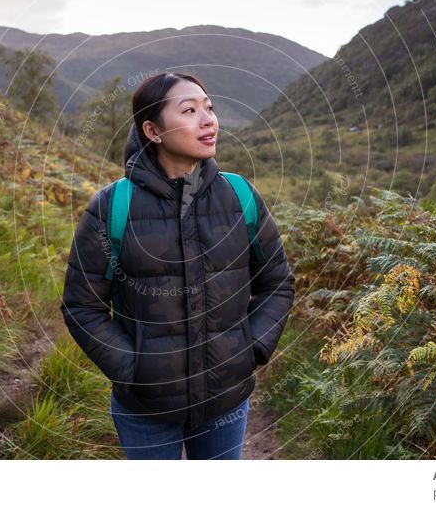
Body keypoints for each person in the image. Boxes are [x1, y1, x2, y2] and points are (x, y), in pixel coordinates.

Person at [60, 71, 295, 459]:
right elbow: (82, 305)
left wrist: (249, 348)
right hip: (146, 409)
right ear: (152, 130)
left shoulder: (239, 196)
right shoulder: (112, 206)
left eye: (209, 108)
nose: (208, 120)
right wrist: (133, 368)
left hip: (226, 401)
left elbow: (277, 283)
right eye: (189, 110)